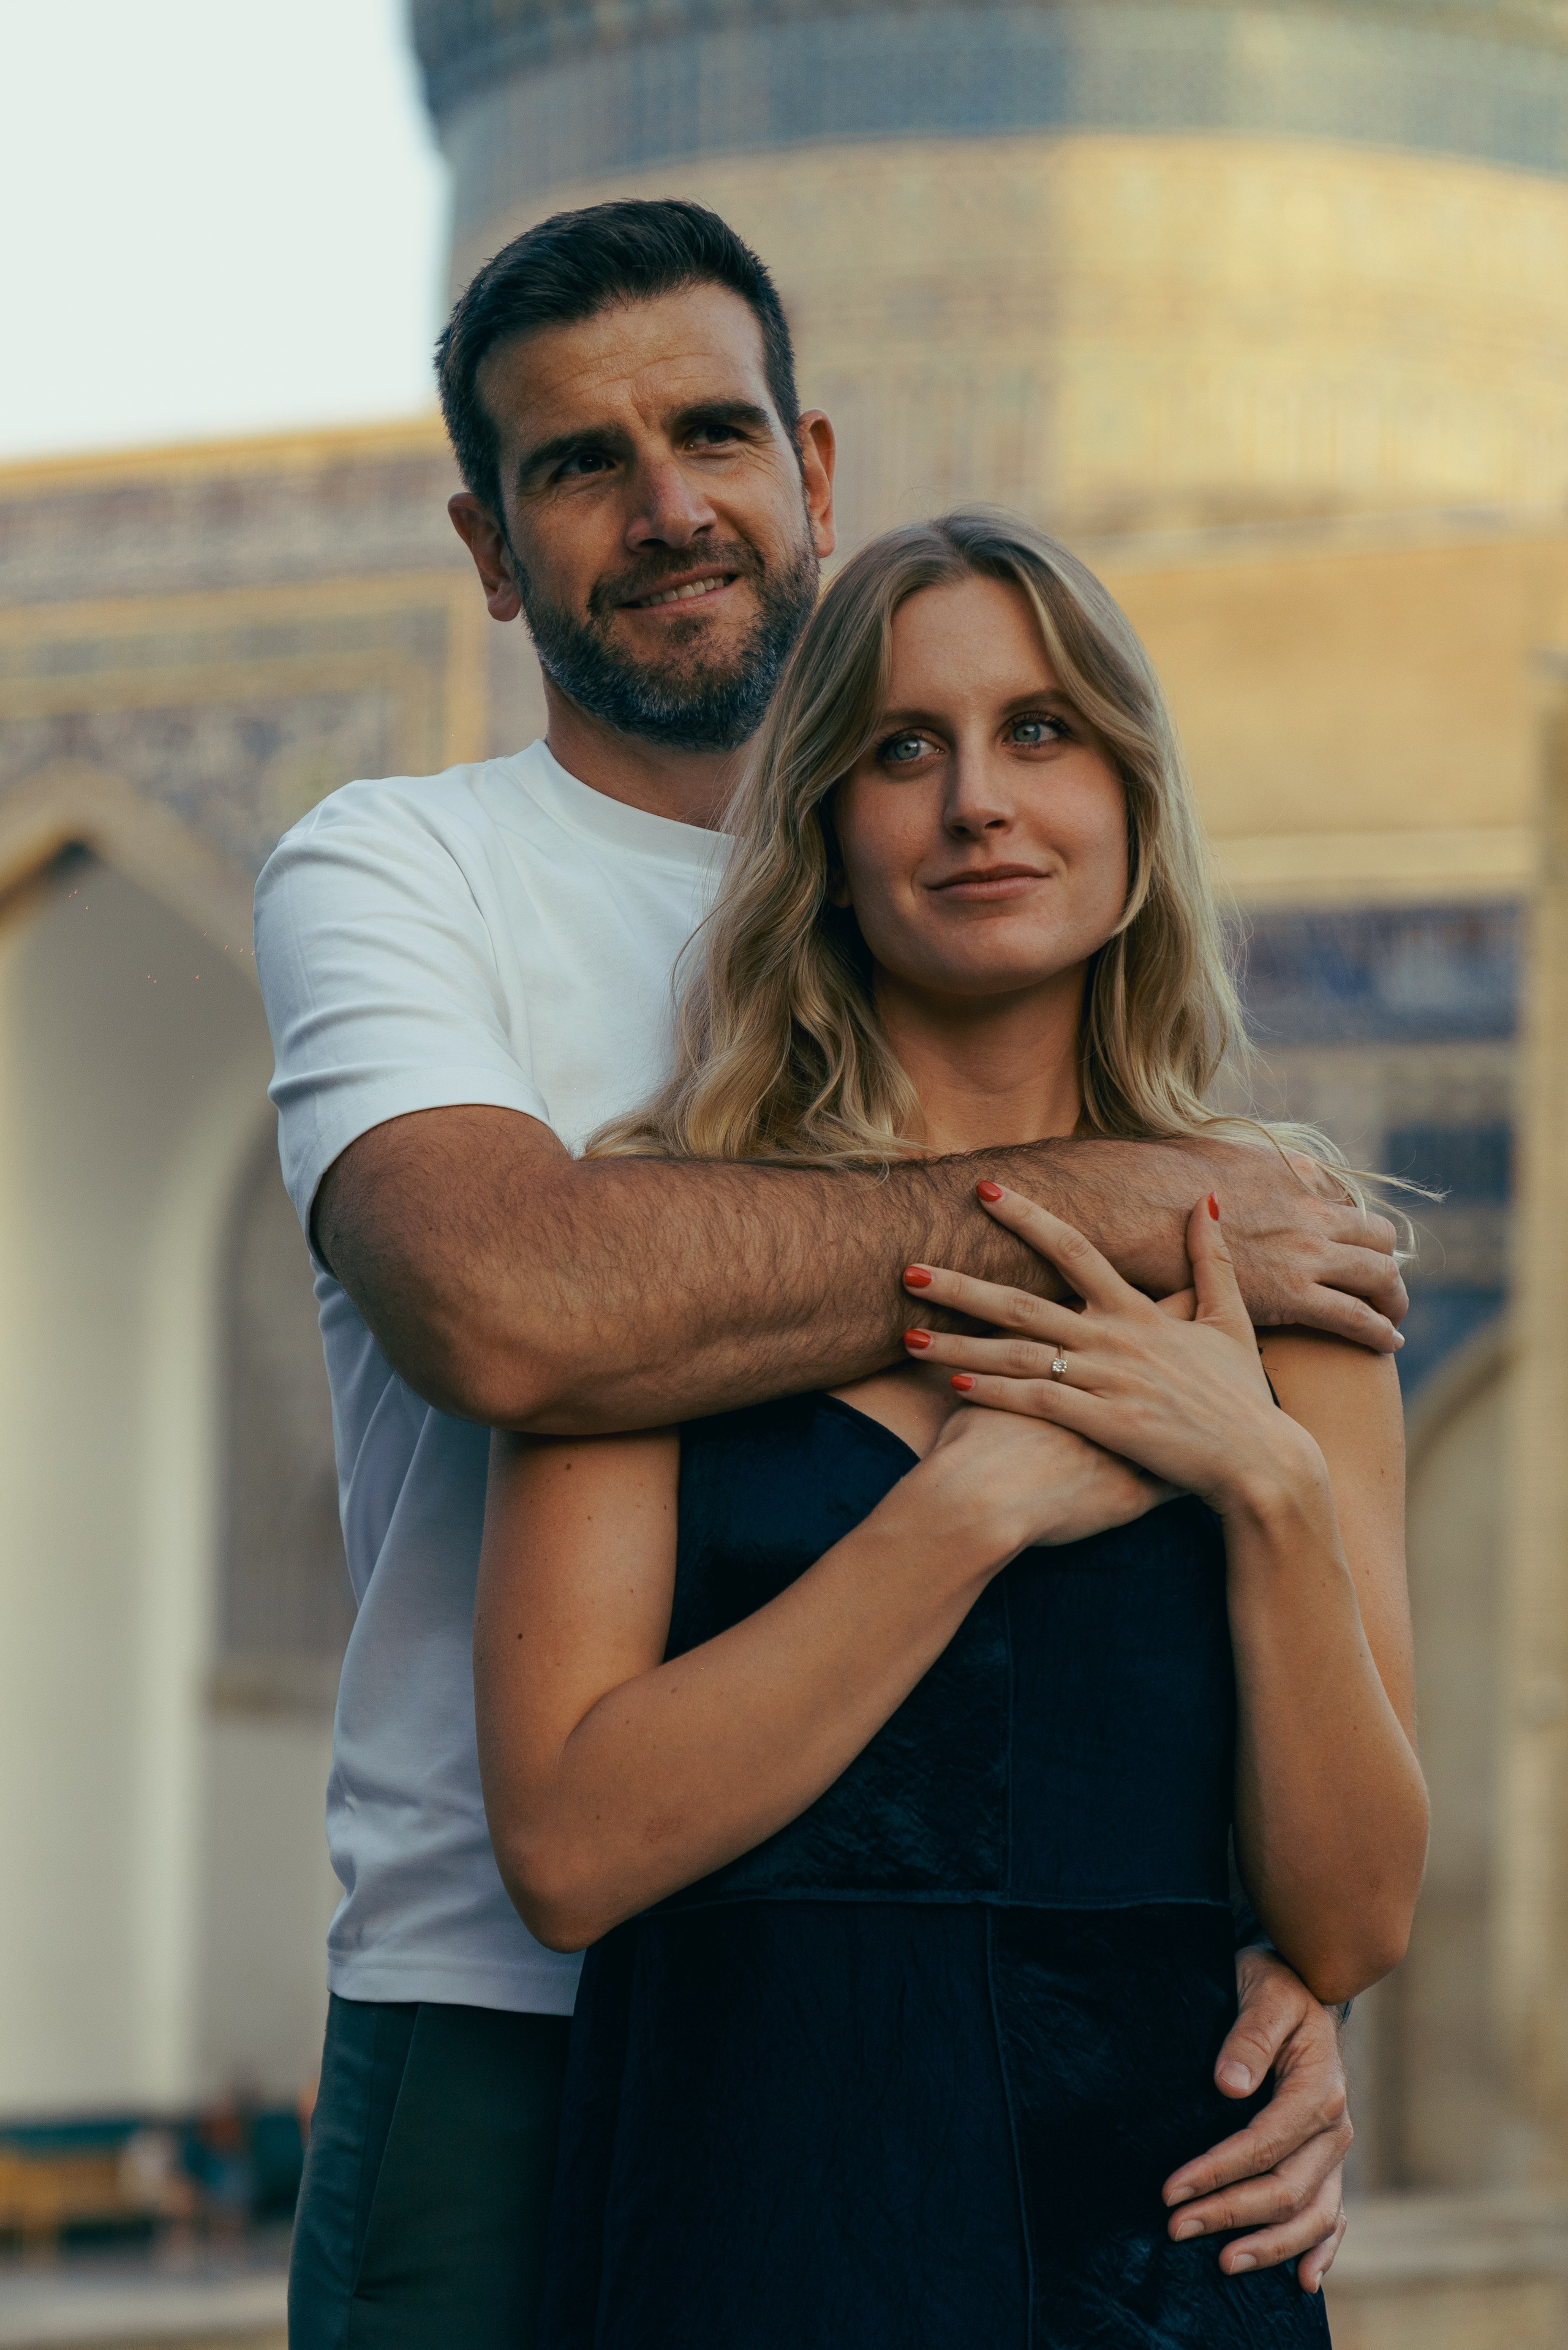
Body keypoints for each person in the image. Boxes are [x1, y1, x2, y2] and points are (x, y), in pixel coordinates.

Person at [258, 201, 1404, 2344]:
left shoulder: (1136, 1104)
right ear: (490, 550)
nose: (669, 506)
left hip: (1082, 2084)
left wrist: (1279, 1986)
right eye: (579, 465)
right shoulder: (401, 871)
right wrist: (1132, 1212)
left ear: (816, 470)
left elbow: (1342, 1838)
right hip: (510, 2007)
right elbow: (527, 1312)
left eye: (712, 432)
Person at [475, 510, 1428, 2346]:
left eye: (1042, 731)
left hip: (1164, 2248)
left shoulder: (1284, 1258)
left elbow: (1355, 1917)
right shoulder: (667, 1240)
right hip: (748, 2218)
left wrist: (1266, 1483)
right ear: (827, 831)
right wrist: (968, 1512)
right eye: (905, 749)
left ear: (1137, 808)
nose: (979, 800)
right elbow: (573, 1854)